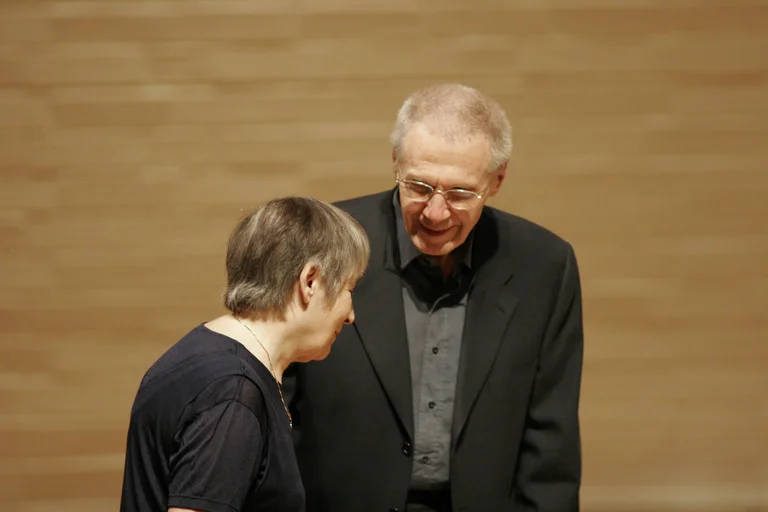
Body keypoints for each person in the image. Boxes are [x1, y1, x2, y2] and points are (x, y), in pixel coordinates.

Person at [284, 84, 584, 512]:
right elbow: (276, 408)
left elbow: (550, 446)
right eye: (419, 186)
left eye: (461, 193)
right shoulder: (320, 243)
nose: (436, 213)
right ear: (395, 163)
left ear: (497, 181)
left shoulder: (546, 266)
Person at [119, 196, 370, 512]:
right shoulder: (233, 392)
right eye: (350, 288)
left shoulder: (205, 355)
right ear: (310, 281)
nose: (351, 315)